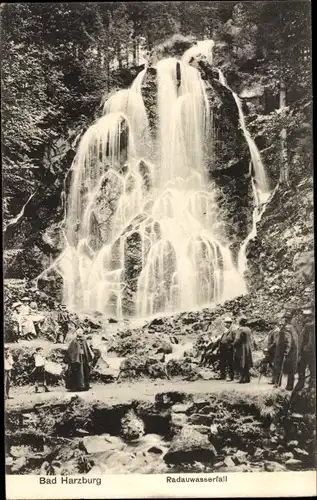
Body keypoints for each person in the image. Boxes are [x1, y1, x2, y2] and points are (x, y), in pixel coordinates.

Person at [272, 311, 299, 391]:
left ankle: (278, 384)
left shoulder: (287, 327)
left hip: (285, 351)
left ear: (286, 319)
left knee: (279, 366)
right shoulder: (293, 327)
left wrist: (286, 351)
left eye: (285, 318)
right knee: (291, 369)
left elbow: (288, 340)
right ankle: (289, 386)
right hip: (292, 351)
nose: (284, 320)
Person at [295, 305, 315, 391]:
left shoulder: (308, 326)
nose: (305, 318)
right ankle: (310, 385)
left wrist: (301, 352)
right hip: (310, 352)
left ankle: (302, 385)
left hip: (307, 352)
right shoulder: (307, 325)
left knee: (302, 367)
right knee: (312, 369)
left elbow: (304, 341)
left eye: (307, 316)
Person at [234, 316, 253, 383]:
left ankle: (242, 378)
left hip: (241, 348)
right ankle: (247, 378)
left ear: (240, 323)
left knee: (241, 362)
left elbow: (237, 339)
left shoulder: (240, 329)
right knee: (247, 362)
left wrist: (233, 344)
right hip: (248, 347)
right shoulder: (248, 329)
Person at [218, 316, 235, 381]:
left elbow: (233, 339)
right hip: (223, 347)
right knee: (222, 361)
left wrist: (231, 346)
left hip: (229, 348)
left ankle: (231, 376)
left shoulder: (232, 331)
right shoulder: (224, 331)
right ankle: (222, 375)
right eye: (226, 323)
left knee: (230, 362)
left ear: (230, 324)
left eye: (229, 323)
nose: (227, 324)